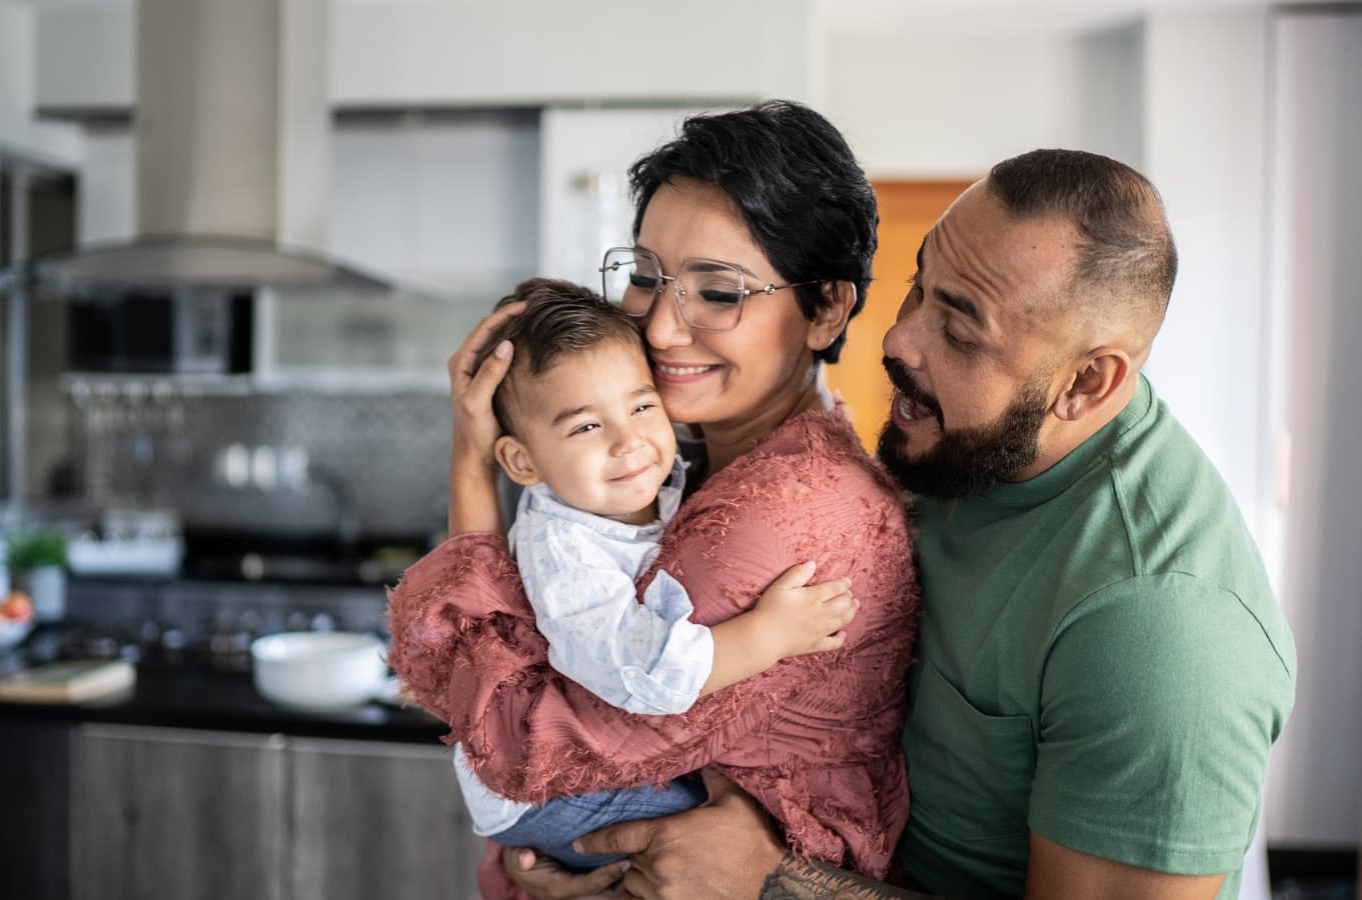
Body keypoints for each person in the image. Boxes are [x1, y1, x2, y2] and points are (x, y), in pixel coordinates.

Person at [563, 150, 1299, 900]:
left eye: (960, 329)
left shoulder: (1162, 629)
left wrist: (771, 880)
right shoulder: (960, 452)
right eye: (920, 286)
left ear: (1085, 382)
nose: (896, 340)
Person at [386, 99, 922, 899]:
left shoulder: (775, 516)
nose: (663, 328)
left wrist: (471, 470)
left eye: (719, 292)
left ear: (829, 308)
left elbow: (522, 743)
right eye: (645, 277)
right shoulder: (685, 460)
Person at [447, 276, 859, 873]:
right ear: (522, 461)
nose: (629, 441)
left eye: (642, 405)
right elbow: (639, 671)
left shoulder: (635, 484)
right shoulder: (564, 552)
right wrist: (770, 635)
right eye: (586, 426)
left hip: (543, 785)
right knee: (720, 832)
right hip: (547, 798)